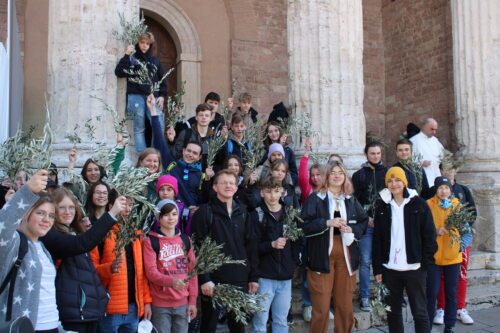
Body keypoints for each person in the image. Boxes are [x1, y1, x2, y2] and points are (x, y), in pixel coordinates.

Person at [0, 170, 127, 332]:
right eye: (40, 213)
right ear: (26, 213)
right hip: (27, 327)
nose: (47, 219)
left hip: (53, 325)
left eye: (51, 215)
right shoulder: (16, 242)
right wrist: (26, 193)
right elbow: (2, 228)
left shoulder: (42, 247)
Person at [301, 161, 368, 333]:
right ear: (326, 176)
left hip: (346, 255)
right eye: (333, 172)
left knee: (345, 306)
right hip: (321, 255)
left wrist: (352, 229)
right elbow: (304, 225)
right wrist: (326, 222)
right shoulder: (316, 198)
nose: (337, 175)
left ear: (345, 176)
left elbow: (363, 220)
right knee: (321, 308)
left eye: (340, 172)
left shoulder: (350, 199)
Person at [191, 169, 259, 333]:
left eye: (231, 183)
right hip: (213, 281)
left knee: (238, 327)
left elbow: (251, 246)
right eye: (224, 182)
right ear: (215, 187)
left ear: (236, 187)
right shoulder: (204, 212)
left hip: (239, 279)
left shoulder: (243, 212)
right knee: (209, 326)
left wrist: (253, 277)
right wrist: (205, 278)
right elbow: (198, 248)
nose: (228, 186)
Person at [372, 167, 437, 333]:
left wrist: (425, 264)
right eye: (390, 181)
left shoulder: (418, 204)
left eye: (397, 180)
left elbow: (429, 236)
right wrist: (378, 268)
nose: (394, 184)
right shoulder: (382, 205)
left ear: (404, 182)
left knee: (420, 313)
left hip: (414, 269)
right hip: (390, 269)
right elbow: (377, 239)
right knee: (393, 313)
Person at [90, 193, 152, 333]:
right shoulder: (101, 233)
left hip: (134, 308)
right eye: (123, 204)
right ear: (111, 207)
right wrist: (109, 269)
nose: (127, 209)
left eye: (130, 205)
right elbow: (91, 271)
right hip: (109, 309)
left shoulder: (137, 235)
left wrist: (146, 302)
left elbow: (142, 274)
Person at [51, 188, 110, 333]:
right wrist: (112, 214)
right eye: (62, 208)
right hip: (73, 315)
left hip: (90, 312)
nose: (68, 212)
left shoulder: (74, 233)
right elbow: (82, 244)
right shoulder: (53, 236)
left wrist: (103, 296)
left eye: (71, 207)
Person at [251, 177, 301, 333]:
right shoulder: (256, 215)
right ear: (261, 193)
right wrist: (271, 245)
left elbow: (297, 242)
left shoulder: (290, 214)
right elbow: (251, 247)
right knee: (260, 321)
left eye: (276, 191)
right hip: (264, 276)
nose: (272, 195)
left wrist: (292, 264)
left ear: (283, 192)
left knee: (281, 320)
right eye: (268, 191)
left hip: (285, 277)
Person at [143, 201, 198, 333]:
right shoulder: (151, 241)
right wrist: (171, 282)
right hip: (160, 304)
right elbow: (150, 272)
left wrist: (192, 300)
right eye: (166, 214)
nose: (171, 218)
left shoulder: (186, 240)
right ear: (159, 218)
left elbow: (193, 272)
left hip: (183, 303)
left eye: (174, 214)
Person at [426, 176, 472, 333]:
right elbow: (422, 229)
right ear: (436, 189)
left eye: (446, 188)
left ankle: (450, 325)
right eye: (440, 188)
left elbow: (467, 232)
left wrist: (460, 247)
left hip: (453, 258)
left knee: (451, 292)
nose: (443, 191)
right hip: (433, 257)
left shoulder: (457, 206)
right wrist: (434, 232)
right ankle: (426, 323)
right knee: (431, 291)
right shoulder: (428, 205)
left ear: (450, 190)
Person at [433, 164, 477, 325]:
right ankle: (442, 308)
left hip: (459, 244)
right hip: (440, 247)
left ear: (456, 171)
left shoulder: (462, 190)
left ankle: (460, 308)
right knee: (443, 277)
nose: (448, 171)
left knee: (461, 276)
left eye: (451, 168)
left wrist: (462, 243)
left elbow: (471, 213)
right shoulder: (434, 195)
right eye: (445, 169)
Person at [115, 32, 167, 152]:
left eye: (147, 43)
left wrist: (162, 96)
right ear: (138, 43)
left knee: (158, 126)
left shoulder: (155, 61)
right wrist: (127, 54)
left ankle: (155, 158)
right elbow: (119, 72)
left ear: (150, 45)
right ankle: (143, 160)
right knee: (139, 128)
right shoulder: (132, 59)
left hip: (152, 96)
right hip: (135, 96)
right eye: (142, 42)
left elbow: (162, 80)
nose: (144, 46)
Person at [351, 142, 387, 311]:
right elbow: (355, 200)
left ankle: (385, 294)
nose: (375, 156)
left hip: (384, 225)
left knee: (384, 260)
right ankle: (364, 296)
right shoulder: (359, 175)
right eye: (372, 153)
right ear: (366, 154)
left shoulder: (387, 173)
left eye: (378, 153)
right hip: (367, 225)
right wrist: (366, 218)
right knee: (365, 261)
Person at [174, 103, 217, 170]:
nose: (204, 117)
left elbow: (218, 160)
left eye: (207, 115)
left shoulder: (214, 137)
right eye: (201, 115)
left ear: (211, 118)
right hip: (187, 173)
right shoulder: (186, 133)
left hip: (207, 176)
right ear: (196, 117)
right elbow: (176, 154)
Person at [410, 118, 444, 186]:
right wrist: (420, 163)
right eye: (432, 129)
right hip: (422, 178)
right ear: (424, 127)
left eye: (435, 129)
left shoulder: (435, 141)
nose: (434, 132)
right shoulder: (413, 141)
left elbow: (444, 156)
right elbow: (407, 161)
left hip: (436, 176)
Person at [262, 121, 298, 186]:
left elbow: (293, 171)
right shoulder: (264, 151)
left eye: (276, 130)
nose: (274, 133)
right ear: (267, 134)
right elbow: (262, 168)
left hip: (285, 185)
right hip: (268, 185)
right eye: (270, 132)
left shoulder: (288, 151)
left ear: (280, 131)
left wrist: (289, 183)